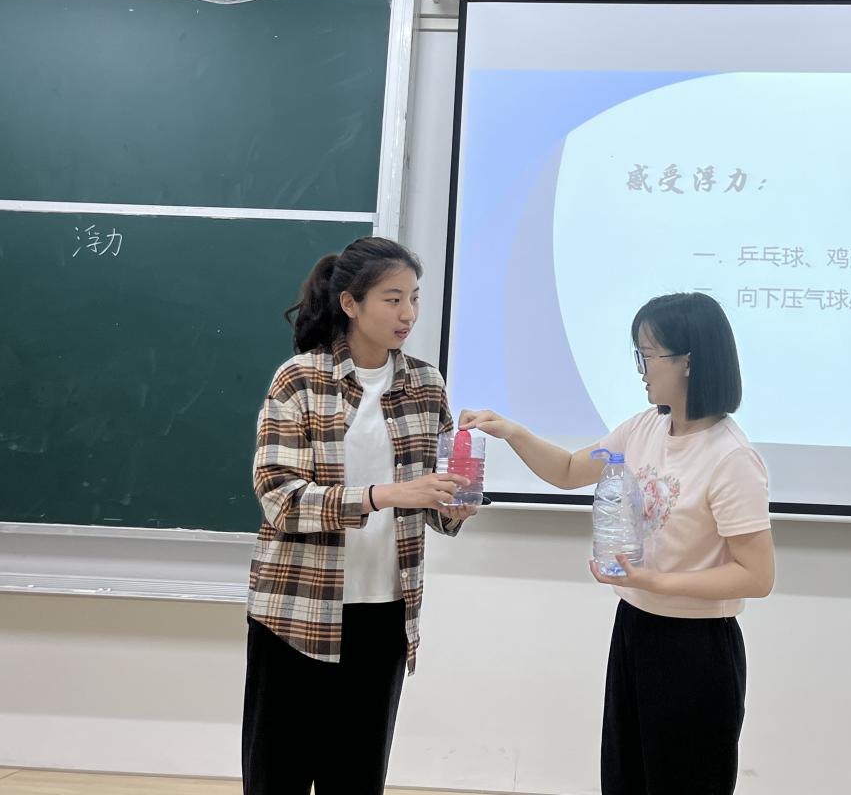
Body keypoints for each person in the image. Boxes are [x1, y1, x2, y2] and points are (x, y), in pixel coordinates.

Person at [461, 292, 774, 795]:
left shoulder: (731, 457)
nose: (640, 370)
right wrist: (512, 432)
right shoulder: (644, 427)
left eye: (647, 355)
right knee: (625, 778)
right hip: (635, 627)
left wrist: (658, 581)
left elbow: (757, 576)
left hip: (696, 646)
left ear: (688, 361)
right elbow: (569, 470)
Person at [242, 236, 476, 795]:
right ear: (350, 303)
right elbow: (279, 497)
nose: (408, 314)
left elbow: (434, 505)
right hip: (297, 612)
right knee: (277, 778)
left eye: (414, 298)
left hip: (385, 614)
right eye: (393, 299)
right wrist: (383, 495)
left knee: (357, 779)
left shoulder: (426, 385)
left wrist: (457, 502)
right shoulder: (300, 379)